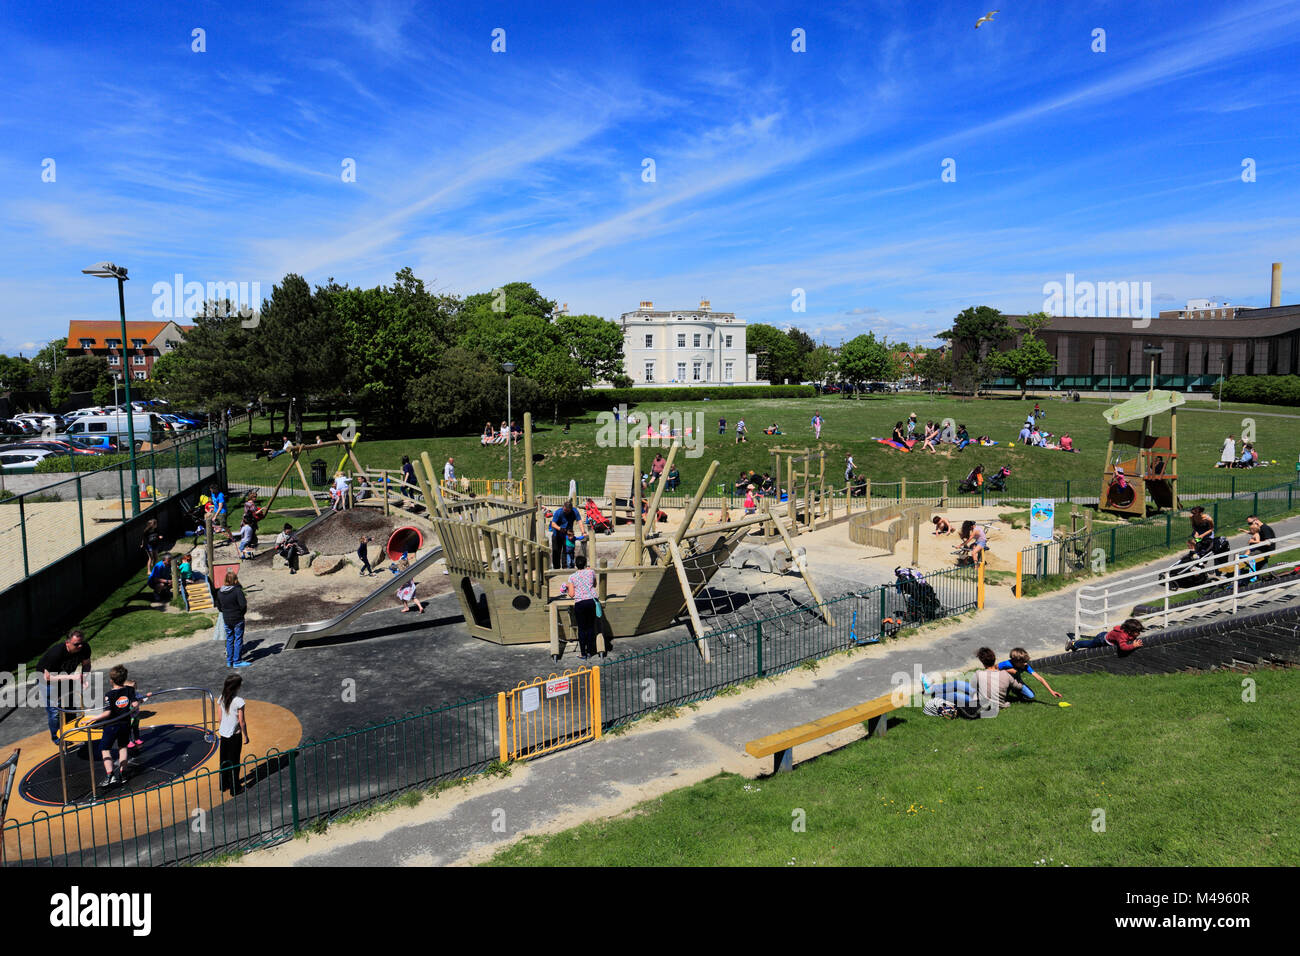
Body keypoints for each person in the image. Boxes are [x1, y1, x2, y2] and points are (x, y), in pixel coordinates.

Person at [88, 665, 152, 787]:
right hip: (125, 724)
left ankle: (110, 774)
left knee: (105, 749)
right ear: (124, 679)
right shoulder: (130, 690)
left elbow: (108, 712)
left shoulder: (109, 695)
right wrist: (128, 710)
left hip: (111, 725)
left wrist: (93, 719)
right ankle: (123, 773)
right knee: (122, 747)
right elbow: (135, 704)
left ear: (111, 680)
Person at [38, 630, 92, 744]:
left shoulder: (85, 648)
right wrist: (71, 678)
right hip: (48, 681)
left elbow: (86, 664)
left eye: (81, 643)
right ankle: (58, 738)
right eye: (76, 644)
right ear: (67, 643)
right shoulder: (56, 653)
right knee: (55, 712)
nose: (80, 646)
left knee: (70, 707)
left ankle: (72, 732)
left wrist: (83, 678)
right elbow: (47, 677)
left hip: (66, 677)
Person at [562, 555, 601, 661]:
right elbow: (594, 584)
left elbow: (571, 594)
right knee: (590, 627)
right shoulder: (591, 572)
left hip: (580, 603)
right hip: (591, 601)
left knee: (582, 629)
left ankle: (583, 653)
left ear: (575, 564)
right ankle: (590, 651)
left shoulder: (572, 577)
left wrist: (566, 588)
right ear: (585, 564)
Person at [217, 675, 249, 795]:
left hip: (224, 734)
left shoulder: (221, 698)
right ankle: (235, 788)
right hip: (234, 735)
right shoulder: (239, 701)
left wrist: (223, 728)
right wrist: (245, 736)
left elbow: (219, 718)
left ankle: (224, 784)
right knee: (234, 761)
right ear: (237, 687)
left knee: (224, 760)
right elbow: (242, 722)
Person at [998, 648, 1062, 701]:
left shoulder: (1025, 666)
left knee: (1031, 696)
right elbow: (992, 670)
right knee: (1002, 698)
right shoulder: (1006, 663)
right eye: (1023, 662)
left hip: (1017, 681)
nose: (1025, 664)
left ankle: (1015, 690)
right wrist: (1006, 671)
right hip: (1004, 681)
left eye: (1026, 662)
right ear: (1015, 661)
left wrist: (1051, 691)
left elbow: (1039, 678)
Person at [217, 569, 250, 668]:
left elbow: (219, 606)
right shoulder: (237, 591)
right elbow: (243, 605)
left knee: (230, 639)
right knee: (238, 639)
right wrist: (241, 613)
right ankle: (237, 661)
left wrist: (225, 612)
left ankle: (229, 660)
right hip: (237, 618)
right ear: (235, 580)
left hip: (226, 618)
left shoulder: (220, 592)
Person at [1067, 617, 1144, 652]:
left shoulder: (1128, 632)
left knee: (1091, 643)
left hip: (1105, 636)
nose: (1139, 633)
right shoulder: (1122, 635)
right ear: (1130, 631)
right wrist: (1133, 645)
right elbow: (1123, 647)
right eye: (1137, 632)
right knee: (1090, 644)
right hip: (1101, 639)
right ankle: (1073, 643)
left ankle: (1075, 644)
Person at [550, 501, 577, 570]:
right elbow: (553, 524)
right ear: (563, 507)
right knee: (556, 551)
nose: (566, 512)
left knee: (566, 550)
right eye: (565, 510)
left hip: (566, 535)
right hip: (557, 534)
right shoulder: (558, 512)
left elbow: (579, 521)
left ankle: (565, 566)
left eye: (567, 511)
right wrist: (560, 529)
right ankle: (556, 567)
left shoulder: (573, 512)